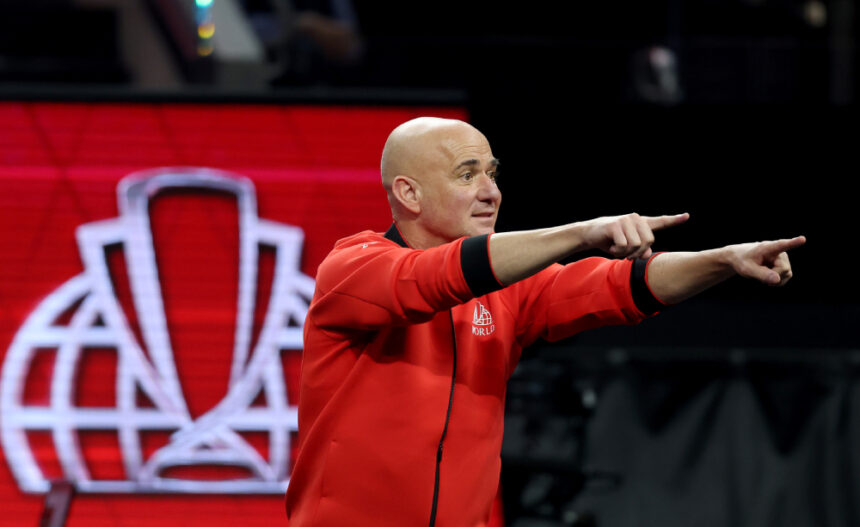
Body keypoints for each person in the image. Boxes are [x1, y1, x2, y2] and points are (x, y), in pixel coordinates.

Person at [283, 117, 805, 526]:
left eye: (492, 173)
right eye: (468, 175)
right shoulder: (353, 268)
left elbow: (617, 285)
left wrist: (722, 261)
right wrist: (581, 231)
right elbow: (434, 279)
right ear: (409, 194)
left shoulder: (508, 290)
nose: (491, 191)